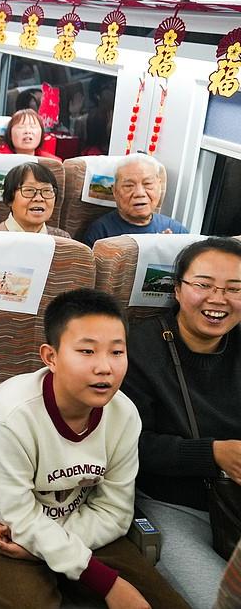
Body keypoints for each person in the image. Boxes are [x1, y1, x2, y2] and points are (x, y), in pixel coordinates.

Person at [0, 289, 188, 609]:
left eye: (116, 352)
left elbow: (116, 513)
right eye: (87, 351)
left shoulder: (124, 415)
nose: (104, 367)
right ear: (51, 357)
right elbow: (18, 517)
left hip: (77, 513)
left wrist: (46, 548)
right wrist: (104, 581)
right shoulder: (8, 415)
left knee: (159, 601)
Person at [121, 237, 241, 608]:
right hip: (171, 503)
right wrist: (213, 454)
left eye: (234, 288)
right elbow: (127, 446)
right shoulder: (138, 348)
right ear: (177, 289)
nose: (218, 299)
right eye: (204, 285)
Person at [82, 155, 188, 247]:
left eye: (148, 184)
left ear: (159, 187)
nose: (139, 193)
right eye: (129, 186)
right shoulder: (100, 233)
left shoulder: (177, 233)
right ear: (115, 191)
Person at [0, 162, 71, 237]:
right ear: (10, 198)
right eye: (29, 190)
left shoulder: (64, 241)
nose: (39, 198)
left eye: (47, 190)